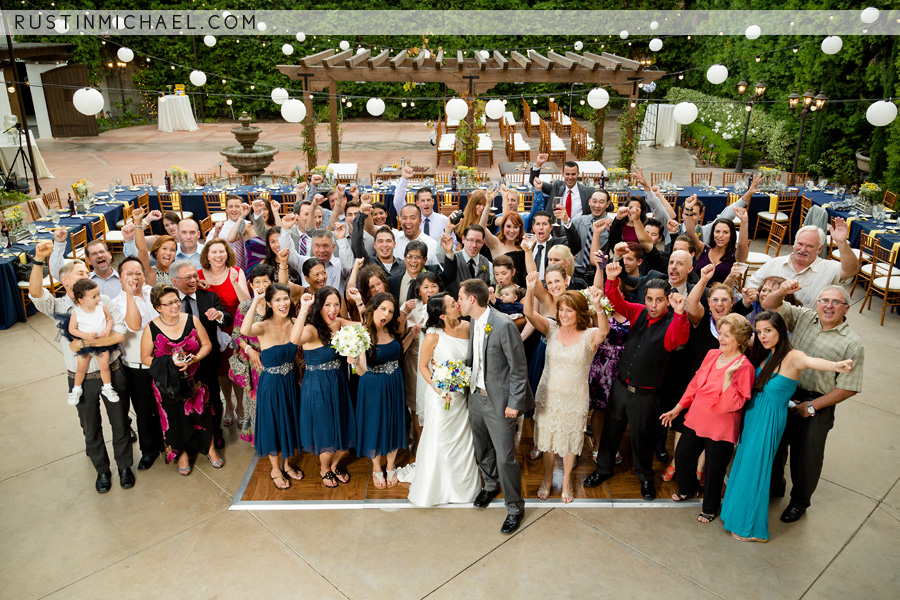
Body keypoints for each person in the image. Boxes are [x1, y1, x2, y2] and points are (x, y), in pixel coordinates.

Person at [721, 311, 854, 542]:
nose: (762, 335)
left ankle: (751, 528)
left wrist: (836, 365)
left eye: (768, 330)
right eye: (759, 331)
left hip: (769, 421)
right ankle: (736, 514)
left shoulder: (793, 356)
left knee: (757, 470)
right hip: (754, 417)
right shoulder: (768, 353)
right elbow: (738, 335)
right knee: (745, 465)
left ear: (781, 330)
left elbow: (811, 362)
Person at [29, 241, 132, 493]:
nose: (87, 275)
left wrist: (84, 342)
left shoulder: (103, 299)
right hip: (80, 377)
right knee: (91, 428)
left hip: (113, 370)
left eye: (87, 273)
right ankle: (102, 471)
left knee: (120, 422)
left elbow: (119, 335)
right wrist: (39, 261)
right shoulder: (59, 306)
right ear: (65, 282)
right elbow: (35, 293)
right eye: (80, 273)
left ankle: (124, 466)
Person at [583, 261, 689, 500]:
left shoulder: (674, 322)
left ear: (668, 300)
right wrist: (610, 280)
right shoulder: (639, 311)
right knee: (611, 433)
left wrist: (680, 314)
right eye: (650, 299)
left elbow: (677, 339)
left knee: (642, 439)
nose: (653, 305)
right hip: (620, 387)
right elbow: (617, 303)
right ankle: (602, 470)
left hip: (644, 395)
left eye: (659, 300)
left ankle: (645, 478)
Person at [761, 281, 865, 523]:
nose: (828, 306)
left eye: (835, 302)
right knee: (775, 445)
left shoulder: (852, 343)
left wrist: (811, 407)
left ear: (846, 309)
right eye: (824, 300)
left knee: (806, 457)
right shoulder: (804, 317)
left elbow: (848, 387)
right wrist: (783, 291)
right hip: (786, 392)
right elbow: (768, 304)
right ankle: (775, 486)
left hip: (817, 403)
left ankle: (799, 502)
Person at [660, 313, 755, 523]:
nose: (721, 338)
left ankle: (710, 508)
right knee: (683, 455)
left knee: (714, 470)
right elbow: (695, 383)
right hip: (696, 418)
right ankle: (687, 488)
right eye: (721, 333)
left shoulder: (744, 367)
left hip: (721, 427)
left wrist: (729, 378)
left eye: (727, 335)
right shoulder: (712, 354)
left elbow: (735, 403)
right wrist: (678, 407)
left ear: (740, 339)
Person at [458, 278, 534, 534]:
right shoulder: (473, 322)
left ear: (471, 299)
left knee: (505, 457)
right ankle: (490, 486)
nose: (458, 303)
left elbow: (519, 368)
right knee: (482, 449)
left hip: (500, 402)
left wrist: (514, 403)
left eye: (459, 298)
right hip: (475, 398)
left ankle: (514, 507)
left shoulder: (502, 324)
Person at [524, 277, 608, 502]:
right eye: (561, 309)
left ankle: (568, 479)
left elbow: (604, 331)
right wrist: (531, 289)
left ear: (579, 312)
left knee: (570, 441)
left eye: (568, 310)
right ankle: (547, 477)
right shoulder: (551, 328)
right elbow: (529, 314)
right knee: (549, 440)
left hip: (575, 397)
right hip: (548, 394)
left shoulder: (589, 335)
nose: (563, 314)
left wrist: (599, 307)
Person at [406, 292, 482, 506]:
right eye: (452, 304)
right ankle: (434, 488)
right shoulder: (432, 336)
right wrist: (439, 388)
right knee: (439, 439)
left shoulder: (469, 327)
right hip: (440, 397)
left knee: (462, 441)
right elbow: (423, 366)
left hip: (462, 395)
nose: (458, 304)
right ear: (442, 315)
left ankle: (461, 488)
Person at [141, 284, 222, 476]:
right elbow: (145, 357)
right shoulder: (151, 328)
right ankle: (183, 454)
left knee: (204, 414)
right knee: (175, 417)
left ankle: (210, 449)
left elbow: (207, 344)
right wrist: (170, 362)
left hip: (196, 378)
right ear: (158, 307)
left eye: (176, 301)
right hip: (169, 383)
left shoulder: (191, 320)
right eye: (168, 304)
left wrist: (195, 358)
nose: (175, 306)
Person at [240, 283, 305, 490]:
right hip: (271, 383)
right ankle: (275, 469)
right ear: (269, 303)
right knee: (274, 424)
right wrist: (256, 301)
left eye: (285, 298)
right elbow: (244, 330)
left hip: (290, 381)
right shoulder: (263, 325)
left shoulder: (295, 321)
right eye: (277, 299)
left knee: (289, 421)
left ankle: (286, 464)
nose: (283, 303)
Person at [297, 286, 358, 488]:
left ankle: (333, 465)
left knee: (345, 424)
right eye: (327, 305)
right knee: (326, 429)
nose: (333, 309)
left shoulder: (339, 323)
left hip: (338, 381)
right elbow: (295, 340)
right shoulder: (311, 329)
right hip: (317, 386)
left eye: (336, 305)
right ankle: (324, 468)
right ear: (318, 307)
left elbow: (365, 326)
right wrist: (304, 308)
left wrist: (358, 302)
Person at [170, 260, 233, 449]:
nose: (193, 280)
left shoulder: (208, 296)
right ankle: (191, 440)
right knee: (184, 402)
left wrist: (220, 315)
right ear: (174, 281)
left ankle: (216, 435)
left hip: (206, 359)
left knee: (213, 398)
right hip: (179, 363)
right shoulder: (169, 300)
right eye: (187, 277)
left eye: (195, 275)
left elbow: (227, 318)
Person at [354, 292, 407, 488]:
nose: (386, 314)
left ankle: (391, 464)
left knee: (393, 422)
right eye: (383, 309)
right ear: (373, 309)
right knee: (374, 425)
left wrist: (413, 335)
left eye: (391, 311)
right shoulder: (362, 333)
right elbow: (360, 372)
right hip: (372, 385)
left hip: (394, 381)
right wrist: (353, 360)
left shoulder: (392, 330)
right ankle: (377, 467)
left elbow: (399, 353)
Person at [116, 257, 163, 470]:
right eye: (129, 274)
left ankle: (169, 443)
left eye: (138, 273)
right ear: (120, 278)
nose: (135, 278)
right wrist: (129, 294)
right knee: (144, 411)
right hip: (137, 367)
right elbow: (134, 326)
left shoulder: (153, 293)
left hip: (162, 361)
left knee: (166, 405)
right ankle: (149, 450)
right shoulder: (116, 302)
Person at [198, 238, 250, 428]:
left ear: (228, 254)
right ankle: (228, 404)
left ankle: (241, 407)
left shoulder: (236, 272)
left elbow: (246, 303)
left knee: (236, 369)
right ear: (207, 256)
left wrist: (236, 284)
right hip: (211, 332)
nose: (219, 255)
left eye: (222, 251)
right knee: (220, 372)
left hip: (235, 329)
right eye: (214, 252)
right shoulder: (198, 276)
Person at [747, 221, 860, 308]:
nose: (803, 249)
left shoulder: (828, 268)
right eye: (800, 244)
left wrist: (841, 243)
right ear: (794, 243)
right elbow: (751, 285)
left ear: (820, 249)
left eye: (810, 246)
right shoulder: (774, 263)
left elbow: (851, 270)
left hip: (807, 330)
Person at [229, 264, 274, 445]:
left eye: (266, 281)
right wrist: (250, 351)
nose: (262, 285)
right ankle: (260, 439)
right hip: (256, 364)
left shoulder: (278, 302)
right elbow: (237, 335)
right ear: (251, 285)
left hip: (276, 359)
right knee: (257, 401)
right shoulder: (246, 306)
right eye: (257, 282)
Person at [66, 279, 119, 406]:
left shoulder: (102, 307)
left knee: (104, 366)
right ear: (81, 300)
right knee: (81, 368)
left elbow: (109, 319)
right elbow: (72, 329)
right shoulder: (76, 312)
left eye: (98, 294)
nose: (98, 298)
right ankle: (76, 389)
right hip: (86, 344)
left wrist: (107, 328)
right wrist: (85, 336)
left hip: (101, 343)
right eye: (94, 297)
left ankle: (107, 387)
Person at [682, 196, 750, 284]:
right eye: (717, 231)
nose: (720, 236)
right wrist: (688, 209)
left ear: (731, 235)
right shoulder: (703, 249)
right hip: (699, 293)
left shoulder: (736, 255)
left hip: (722, 295)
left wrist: (744, 221)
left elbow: (742, 245)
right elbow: (691, 233)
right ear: (713, 234)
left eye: (725, 232)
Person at [50, 234, 122, 297]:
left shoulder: (124, 279)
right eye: (94, 254)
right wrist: (59, 244)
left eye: (102, 252)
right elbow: (57, 272)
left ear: (109, 255)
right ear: (89, 260)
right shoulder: (81, 281)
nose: (99, 255)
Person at [392, 165, 449, 242]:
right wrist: (404, 178)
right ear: (417, 203)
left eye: (428, 200)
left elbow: (453, 244)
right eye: (422, 201)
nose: (426, 203)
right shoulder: (412, 219)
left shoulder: (443, 220)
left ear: (433, 202)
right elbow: (398, 202)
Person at [529, 155, 595, 219]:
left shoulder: (588, 192)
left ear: (578, 174)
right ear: (562, 174)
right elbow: (534, 182)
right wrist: (538, 164)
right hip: (557, 228)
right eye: (567, 174)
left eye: (573, 174)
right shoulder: (556, 187)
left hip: (578, 229)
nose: (570, 177)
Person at [438, 223, 493, 295]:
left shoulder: (488, 264)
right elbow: (439, 255)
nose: (474, 245)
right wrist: (447, 230)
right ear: (463, 239)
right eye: (470, 240)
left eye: (478, 241)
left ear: (483, 242)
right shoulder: (452, 259)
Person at [526, 210, 581, 281]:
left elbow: (575, 247)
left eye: (545, 224)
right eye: (538, 224)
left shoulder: (559, 243)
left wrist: (566, 221)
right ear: (533, 227)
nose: (541, 227)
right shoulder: (528, 247)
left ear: (551, 227)